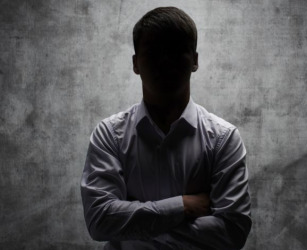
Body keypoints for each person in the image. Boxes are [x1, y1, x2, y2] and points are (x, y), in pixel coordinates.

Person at [81, 6, 251, 250]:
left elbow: (232, 232)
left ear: (194, 60)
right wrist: (182, 206)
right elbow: (99, 220)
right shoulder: (109, 135)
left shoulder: (224, 139)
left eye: (175, 51)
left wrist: (132, 232)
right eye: (153, 52)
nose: (164, 62)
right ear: (135, 63)